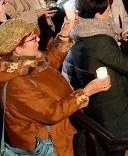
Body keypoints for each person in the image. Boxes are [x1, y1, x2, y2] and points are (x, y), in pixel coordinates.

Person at [0, 18, 111, 156]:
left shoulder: (23, 64)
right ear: (17, 48)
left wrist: (64, 33)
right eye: (33, 38)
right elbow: (51, 113)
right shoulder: (14, 85)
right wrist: (86, 92)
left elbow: (49, 61)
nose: (38, 40)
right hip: (51, 144)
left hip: (62, 131)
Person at [62, 0, 128, 145]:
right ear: (97, 14)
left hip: (96, 101)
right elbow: (127, 66)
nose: (110, 12)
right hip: (110, 102)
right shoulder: (99, 40)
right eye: (107, 9)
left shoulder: (79, 29)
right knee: (117, 144)